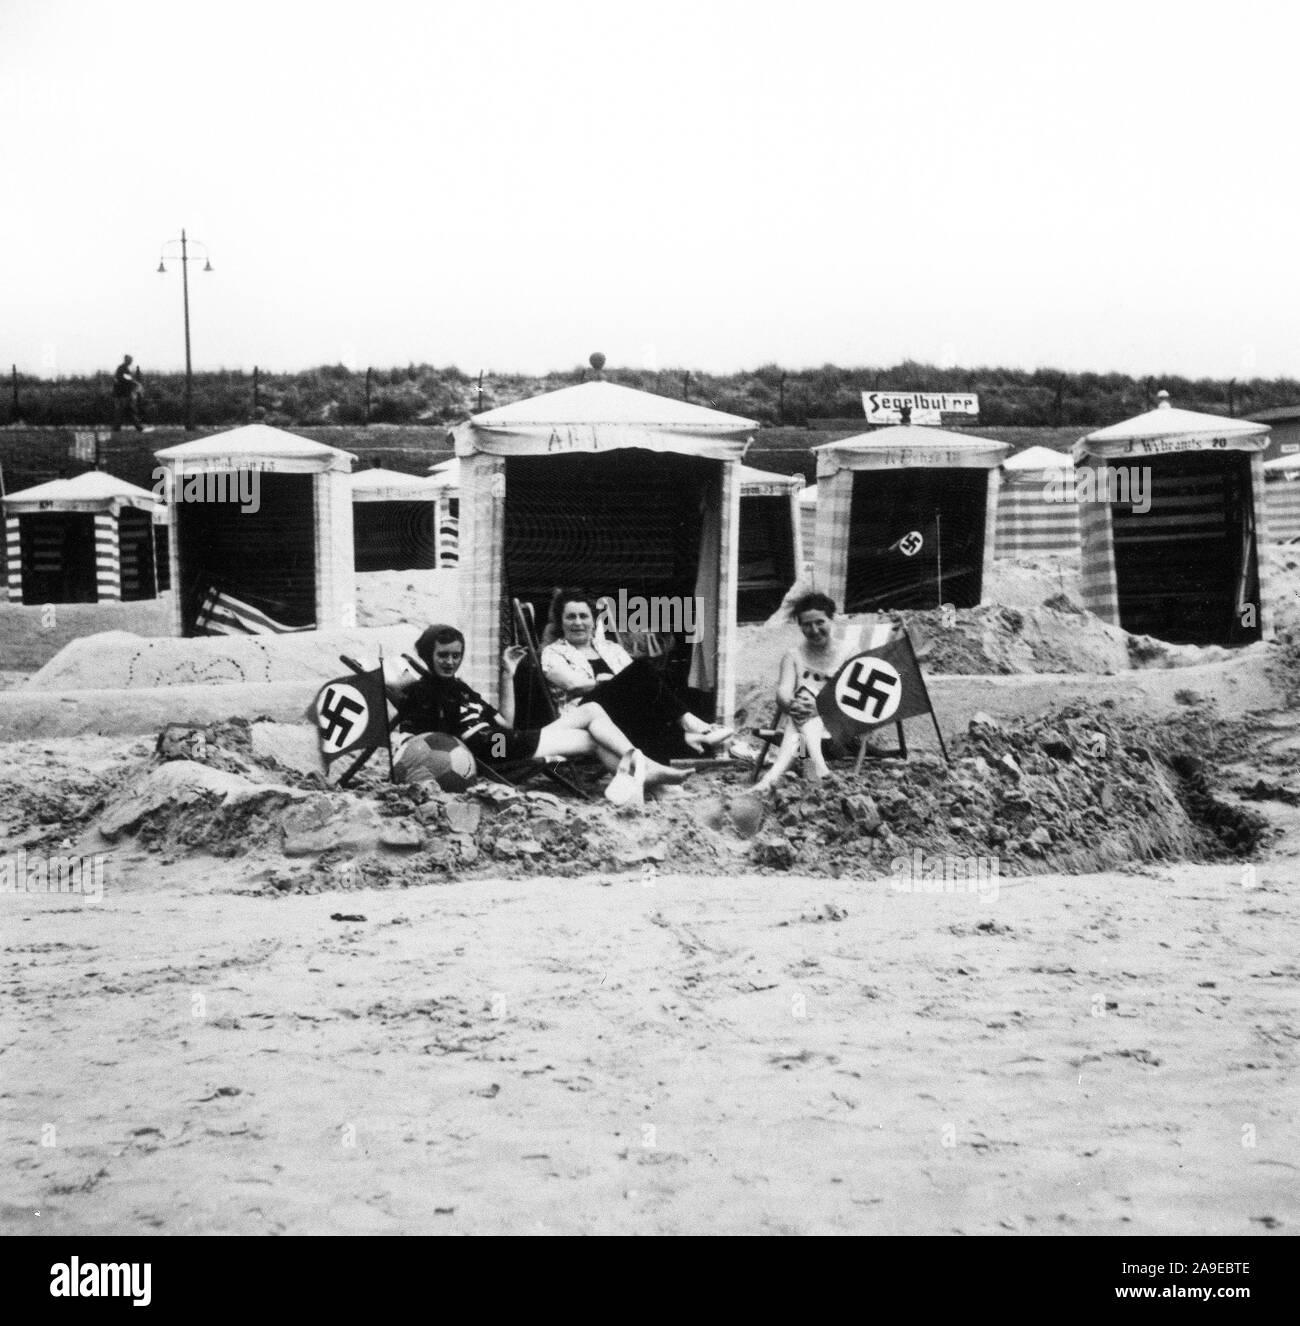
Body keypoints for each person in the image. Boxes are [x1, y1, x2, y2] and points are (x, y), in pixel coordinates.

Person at [392, 623, 691, 807]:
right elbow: (403, 713)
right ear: (428, 655)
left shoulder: (462, 688)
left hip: (501, 740)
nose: (450, 661)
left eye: (455, 655)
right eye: (442, 655)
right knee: (591, 733)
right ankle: (651, 777)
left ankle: (647, 774)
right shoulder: (425, 690)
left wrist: (508, 674)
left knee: (592, 713)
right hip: (489, 749)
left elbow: (505, 723)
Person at [539, 588, 733, 764]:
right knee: (641, 670)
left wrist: (619, 684)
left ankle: (676, 756)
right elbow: (574, 685)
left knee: (644, 684)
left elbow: (637, 683)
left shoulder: (611, 648)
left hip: (619, 714)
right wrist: (606, 682)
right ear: (560, 622)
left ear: (594, 620)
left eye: (584, 616)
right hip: (583, 716)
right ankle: (690, 727)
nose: (578, 622)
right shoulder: (552, 652)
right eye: (570, 617)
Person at [754, 591, 855, 794]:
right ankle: (820, 769)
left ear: (831, 619)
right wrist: (792, 705)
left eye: (820, 622)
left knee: (805, 701)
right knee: (801, 702)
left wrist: (819, 708)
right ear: (800, 626)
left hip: (841, 728)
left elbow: (852, 698)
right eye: (806, 625)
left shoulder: (849, 653)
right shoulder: (793, 656)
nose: (814, 630)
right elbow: (783, 692)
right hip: (802, 738)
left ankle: (771, 777)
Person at [112, 355, 144, 432]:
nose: (131, 362)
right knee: (126, 411)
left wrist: (133, 382)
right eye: (130, 360)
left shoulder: (123, 368)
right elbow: (126, 379)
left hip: (123, 393)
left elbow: (127, 379)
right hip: (122, 394)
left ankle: (138, 427)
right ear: (127, 360)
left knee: (125, 411)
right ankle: (138, 428)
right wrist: (135, 382)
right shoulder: (122, 368)